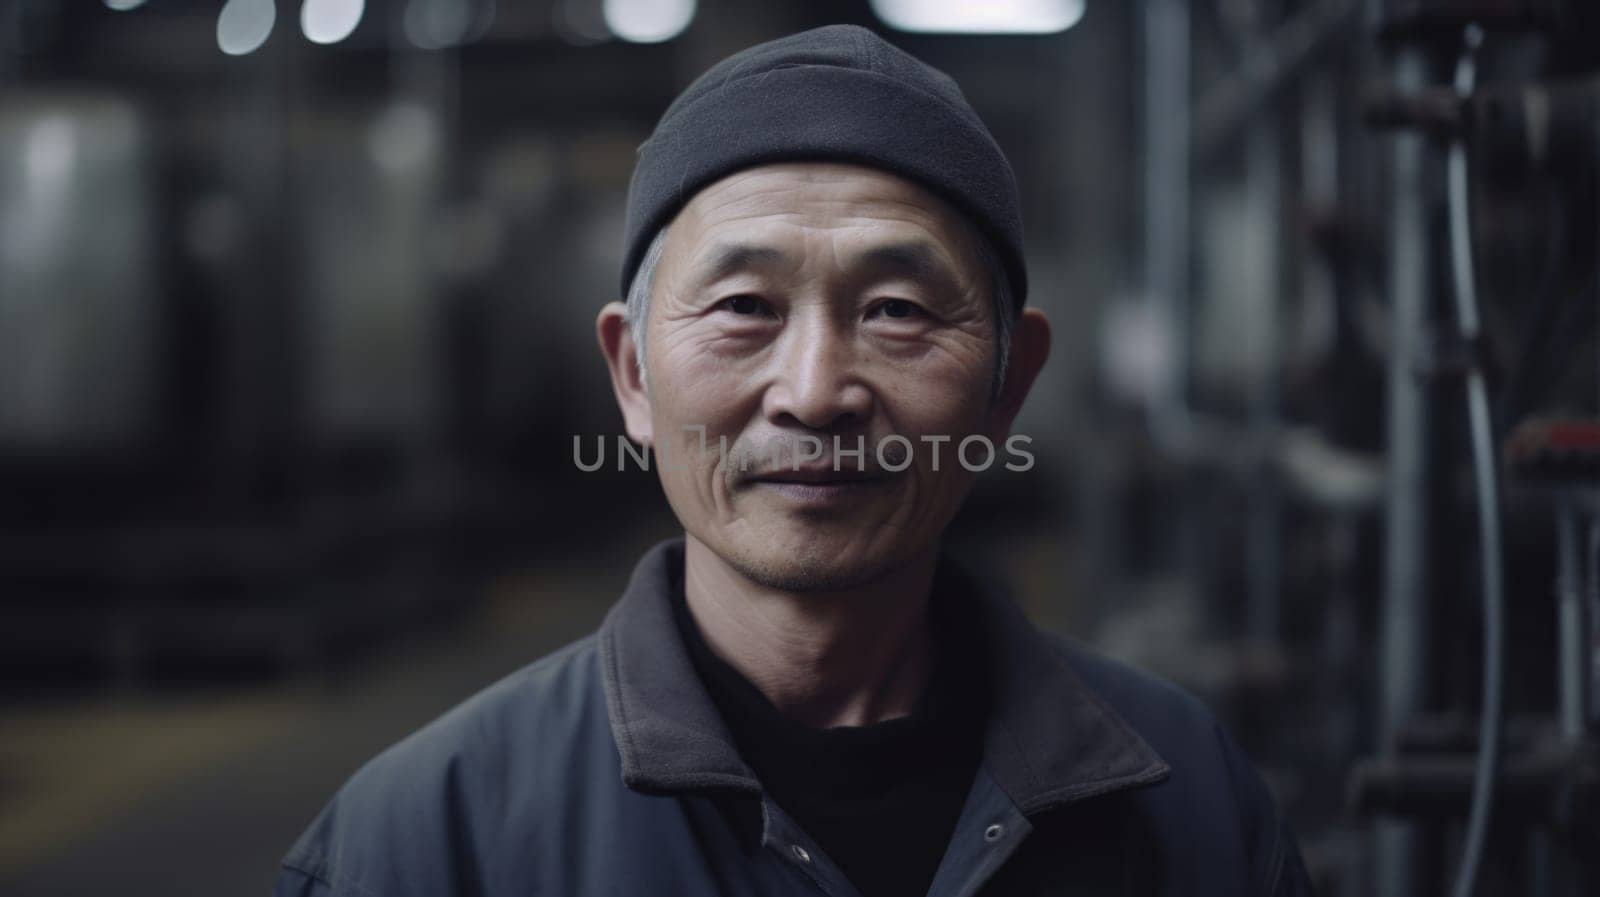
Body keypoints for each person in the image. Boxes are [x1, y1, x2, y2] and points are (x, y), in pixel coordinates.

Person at [274, 23, 1313, 897]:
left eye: (897, 311)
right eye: (742, 309)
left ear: (1009, 384)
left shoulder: (1187, 807)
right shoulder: (425, 845)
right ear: (632, 377)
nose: (815, 392)